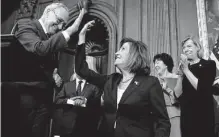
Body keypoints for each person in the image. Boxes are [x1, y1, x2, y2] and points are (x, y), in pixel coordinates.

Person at [74, 21, 171, 137]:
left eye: (123, 49)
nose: (116, 53)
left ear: (134, 56)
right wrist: (81, 37)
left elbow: (162, 121)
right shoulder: (111, 80)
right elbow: (82, 70)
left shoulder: (150, 83)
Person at [14, 2, 87, 137]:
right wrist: (71, 30)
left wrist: (54, 75)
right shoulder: (26, 25)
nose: (60, 27)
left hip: (44, 100)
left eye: (63, 25)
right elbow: (39, 49)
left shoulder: (51, 39)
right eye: (59, 21)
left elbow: (45, 65)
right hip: (25, 96)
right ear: (48, 12)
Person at [178, 35, 216, 137]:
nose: (186, 50)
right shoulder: (184, 68)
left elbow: (202, 89)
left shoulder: (209, 64)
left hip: (203, 115)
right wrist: (180, 75)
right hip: (187, 116)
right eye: (184, 47)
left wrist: (186, 70)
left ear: (197, 47)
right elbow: (177, 94)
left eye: (189, 46)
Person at [54, 71, 101, 137]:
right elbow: (57, 100)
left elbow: (98, 105)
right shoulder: (67, 85)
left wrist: (85, 101)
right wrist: (70, 101)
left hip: (86, 127)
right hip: (67, 127)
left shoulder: (94, 87)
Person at [153, 53, 182, 137]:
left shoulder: (177, 78)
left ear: (166, 64)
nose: (156, 64)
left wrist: (167, 89)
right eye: (155, 63)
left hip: (174, 115)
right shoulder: (153, 81)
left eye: (158, 62)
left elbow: (179, 100)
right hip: (157, 118)